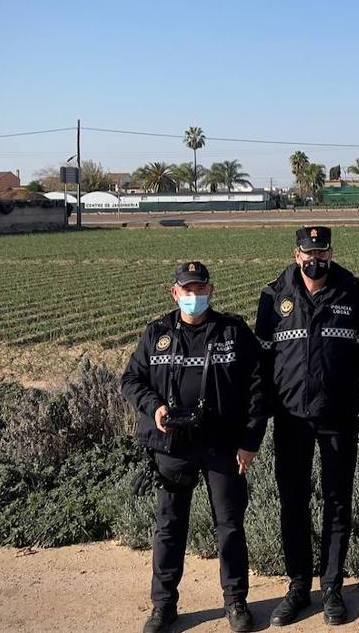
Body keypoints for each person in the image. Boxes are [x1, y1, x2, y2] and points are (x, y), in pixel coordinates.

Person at [121, 261, 267, 633]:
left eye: (200, 290)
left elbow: (257, 389)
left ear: (211, 291)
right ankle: (163, 606)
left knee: (230, 526)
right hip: (172, 446)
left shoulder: (232, 332)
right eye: (187, 290)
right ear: (175, 293)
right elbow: (131, 380)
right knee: (169, 527)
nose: (194, 297)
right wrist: (154, 408)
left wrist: (250, 442)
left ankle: (235, 601)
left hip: (223, 446)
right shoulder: (157, 334)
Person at [254, 226, 359, 626]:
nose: (316, 259)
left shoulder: (354, 293)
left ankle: (333, 588)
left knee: (337, 503)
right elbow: (263, 364)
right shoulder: (273, 298)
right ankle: (299, 586)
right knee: (293, 503)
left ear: (331, 253)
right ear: (296, 254)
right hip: (291, 421)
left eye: (322, 252)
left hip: (338, 419)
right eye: (309, 253)